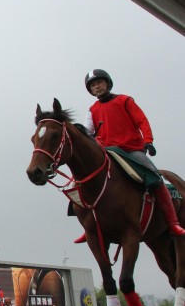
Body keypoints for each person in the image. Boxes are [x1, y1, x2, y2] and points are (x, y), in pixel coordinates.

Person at [73, 69, 185, 243]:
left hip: (130, 150)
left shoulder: (124, 100)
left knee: (155, 178)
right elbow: (88, 131)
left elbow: (141, 120)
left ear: (107, 83)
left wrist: (148, 140)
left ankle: (173, 222)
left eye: (99, 83)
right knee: (80, 183)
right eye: (93, 85)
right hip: (108, 151)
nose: (97, 87)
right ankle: (89, 227)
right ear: (91, 90)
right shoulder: (92, 110)